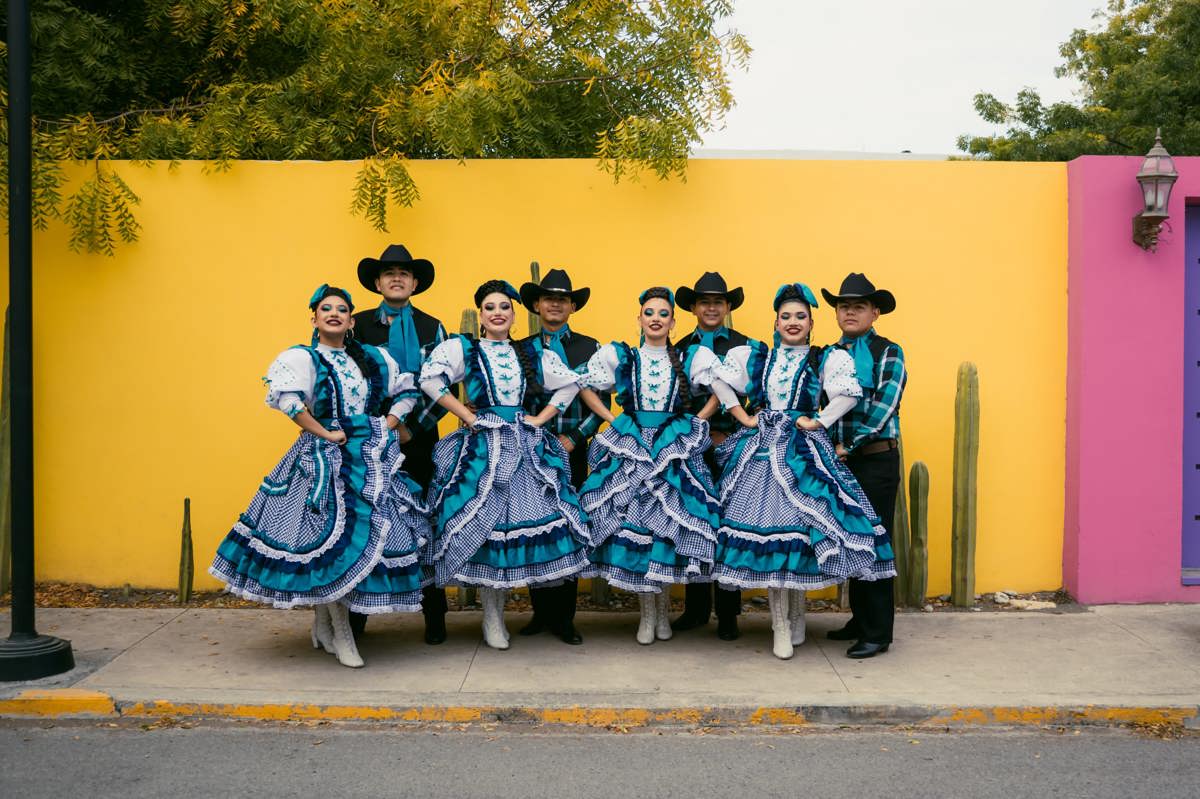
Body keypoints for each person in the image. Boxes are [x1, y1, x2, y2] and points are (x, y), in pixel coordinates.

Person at [210, 285, 430, 668]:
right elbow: (289, 401)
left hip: (369, 458)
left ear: (350, 321)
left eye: (341, 310)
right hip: (321, 461)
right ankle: (340, 632)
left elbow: (407, 391)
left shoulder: (374, 358)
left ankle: (327, 625)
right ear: (313, 318)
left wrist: (389, 423)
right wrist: (325, 432)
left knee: (360, 543)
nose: (333, 314)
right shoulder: (302, 357)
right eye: (325, 309)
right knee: (329, 544)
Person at [705, 283, 894, 660]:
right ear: (775, 322)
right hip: (759, 456)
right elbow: (716, 378)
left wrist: (820, 420)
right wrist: (741, 415)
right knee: (772, 537)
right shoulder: (757, 357)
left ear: (811, 323)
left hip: (803, 454)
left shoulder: (825, 358)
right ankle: (780, 626)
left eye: (800, 317)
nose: (793, 323)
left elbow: (848, 394)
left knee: (802, 534)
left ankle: (799, 621)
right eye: (786, 316)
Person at [418, 280, 593, 651]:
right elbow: (430, 379)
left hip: (524, 447)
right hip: (482, 447)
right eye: (490, 307)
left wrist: (541, 418)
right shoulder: (464, 348)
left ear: (515, 314)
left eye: (504, 307)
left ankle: (531, 617)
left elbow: (570, 384)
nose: (498, 313)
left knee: (522, 525)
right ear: (480, 315)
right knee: (484, 525)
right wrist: (466, 414)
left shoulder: (530, 352)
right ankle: (492, 616)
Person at [576, 287, 721, 645]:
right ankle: (646, 614)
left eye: (663, 314)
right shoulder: (622, 356)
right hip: (633, 445)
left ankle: (664, 614)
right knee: (635, 523)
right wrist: (613, 419)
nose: (656, 319)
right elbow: (582, 384)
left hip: (672, 449)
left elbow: (724, 388)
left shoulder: (692, 356)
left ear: (673, 322)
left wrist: (695, 423)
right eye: (649, 313)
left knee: (667, 527)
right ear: (639, 318)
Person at [351, 244, 451, 645]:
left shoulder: (432, 327)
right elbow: (341, 381)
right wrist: (373, 428)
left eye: (405, 273)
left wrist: (410, 427)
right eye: (389, 272)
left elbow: (446, 387)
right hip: (364, 440)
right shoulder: (355, 325)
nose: (397, 278)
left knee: (425, 521)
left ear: (414, 283)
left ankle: (434, 615)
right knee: (366, 520)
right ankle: (358, 617)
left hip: (418, 438)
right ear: (377, 282)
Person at [516, 269, 608, 645]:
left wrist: (575, 436)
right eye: (547, 298)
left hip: (571, 447)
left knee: (570, 524)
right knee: (538, 523)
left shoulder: (588, 348)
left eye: (562, 298)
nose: (555, 303)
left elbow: (601, 399)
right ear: (537, 305)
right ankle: (541, 610)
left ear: (572, 306)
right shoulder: (520, 348)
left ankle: (565, 617)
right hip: (533, 450)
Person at [671, 271, 761, 640]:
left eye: (718, 301)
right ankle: (695, 608)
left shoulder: (747, 347)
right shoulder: (676, 348)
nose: (711, 307)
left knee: (730, 524)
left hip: (735, 447)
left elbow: (758, 395)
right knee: (696, 520)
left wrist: (730, 433)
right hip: (691, 447)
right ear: (693, 307)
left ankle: (728, 613)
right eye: (704, 301)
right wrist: (695, 434)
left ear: (727, 307)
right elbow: (673, 401)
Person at [821, 273, 906, 659]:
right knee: (850, 540)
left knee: (873, 541)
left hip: (873, 459)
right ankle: (860, 620)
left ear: (874, 312)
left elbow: (883, 406)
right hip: (840, 459)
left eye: (858, 306)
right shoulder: (828, 355)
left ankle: (878, 632)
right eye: (843, 306)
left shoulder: (890, 352)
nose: (849, 311)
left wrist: (847, 444)